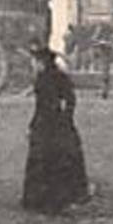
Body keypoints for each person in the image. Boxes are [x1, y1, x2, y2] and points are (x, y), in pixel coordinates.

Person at [22, 47, 89, 214]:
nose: (33, 65)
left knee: (44, 160)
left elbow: (42, 106)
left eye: (34, 62)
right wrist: (66, 117)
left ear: (41, 63)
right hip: (61, 124)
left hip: (46, 124)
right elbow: (71, 99)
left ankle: (42, 199)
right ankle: (62, 198)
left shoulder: (43, 80)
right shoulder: (61, 77)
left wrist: (33, 125)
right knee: (62, 160)